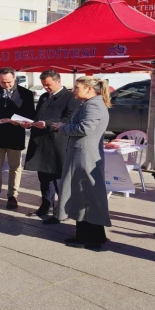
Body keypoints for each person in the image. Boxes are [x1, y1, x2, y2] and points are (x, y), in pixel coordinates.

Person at [51, 77, 111, 250]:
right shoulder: (91, 104)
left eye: (77, 87)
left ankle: (88, 237)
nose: (73, 91)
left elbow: (85, 128)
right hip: (83, 154)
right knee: (84, 194)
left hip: (85, 155)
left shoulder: (93, 105)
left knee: (84, 194)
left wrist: (62, 128)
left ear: (89, 89)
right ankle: (92, 235)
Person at [20, 69, 81, 223]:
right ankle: (45, 205)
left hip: (57, 142)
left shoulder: (70, 97)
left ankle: (61, 211)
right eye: (44, 85)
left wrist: (46, 124)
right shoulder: (45, 96)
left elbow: (68, 119)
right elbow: (38, 116)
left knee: (58, 179)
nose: (46, 88)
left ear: (58, 81)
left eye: (48, 85)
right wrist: (29, 122)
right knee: (44, 177)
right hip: (41, 142)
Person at [0, 68, 35, 210]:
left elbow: (30, 115)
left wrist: (19, 121)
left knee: (15, 168)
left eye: (9, 82)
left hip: (15, 135)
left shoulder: (25, 94)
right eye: (3, 82)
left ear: (14, 78)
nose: (6, 85)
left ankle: (12, 195)